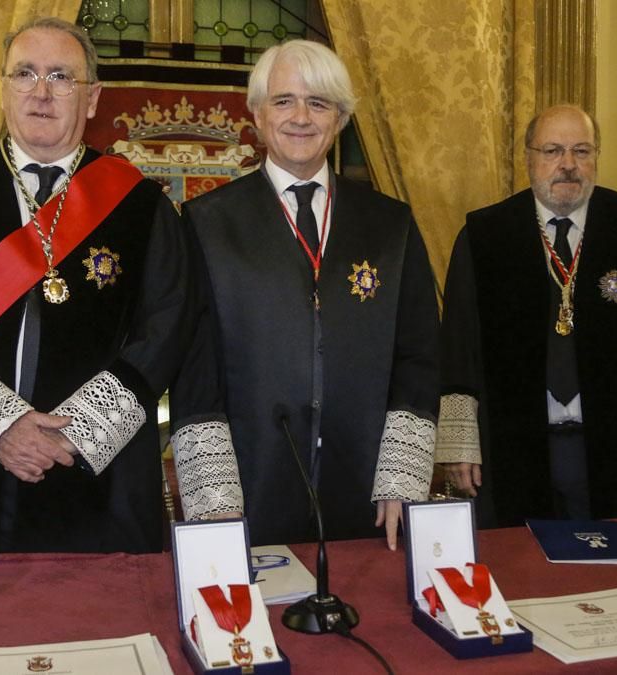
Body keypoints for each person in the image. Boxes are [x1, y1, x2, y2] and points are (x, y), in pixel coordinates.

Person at [0, 17, 241, 555]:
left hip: (104, 478)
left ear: (92, 98)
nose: (42, 91)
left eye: (61, 77)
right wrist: (0, 428)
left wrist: (71, 434)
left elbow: (168, 325)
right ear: (3, 89)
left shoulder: (142, 207)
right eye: (25, 73)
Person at [174, 40, 440, 550]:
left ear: (340, 118)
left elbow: (419, 356)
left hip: (367, 489)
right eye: (283, 101)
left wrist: (402, 476)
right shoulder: (207, 224)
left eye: (318, 103)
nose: (301, 117)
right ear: (256, 113)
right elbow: (194, 366)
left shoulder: (391, 225)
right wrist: (214, 499)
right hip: (249, 488)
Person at [437, 104, 617, 527]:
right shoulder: (485, 234)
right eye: (553, 151)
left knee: (616, 577)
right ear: (528, 158)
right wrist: (458, 445)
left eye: (581, 151)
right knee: (524, 575)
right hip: (513, 447)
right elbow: (458, 345)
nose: (568, 165)